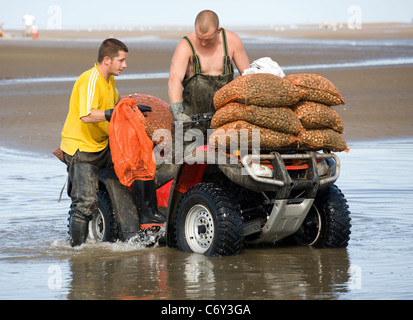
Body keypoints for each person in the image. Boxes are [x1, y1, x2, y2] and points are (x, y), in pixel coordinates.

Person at [60, 38, 128, 247]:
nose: (124, 65)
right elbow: (87, 115)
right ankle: (76, 251)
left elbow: (117, 103)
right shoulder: (90, 79)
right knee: (85, 204)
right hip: (81, 149)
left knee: (129, 174)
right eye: (121, 60)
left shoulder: (110, 80)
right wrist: (112, 113)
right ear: (107, 60)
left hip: (101, 145)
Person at [168, 10, 250, 122]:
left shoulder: (232, 41)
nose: (203, 43)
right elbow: (174, 79)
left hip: (225, 116)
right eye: (199, 38)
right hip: (192, 118)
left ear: (218, 31)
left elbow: (247, 76)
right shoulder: (186, 44)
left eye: (207, 39)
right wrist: (177, 112)